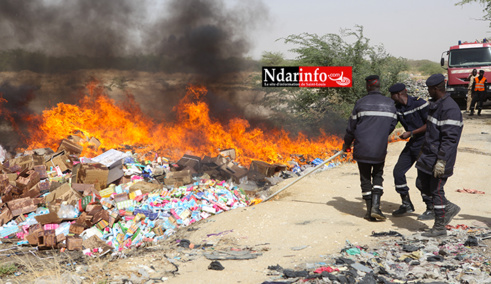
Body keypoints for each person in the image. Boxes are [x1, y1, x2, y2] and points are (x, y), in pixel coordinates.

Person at [342, 75, 397, 222]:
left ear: (368, 86)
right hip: (379, 147)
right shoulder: (390, 103)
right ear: (379, 86)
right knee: (378, 175)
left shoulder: (361, 103)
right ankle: (376, 207)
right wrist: (381, 134)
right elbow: (392, 124)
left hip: (362, 147)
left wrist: (347, 144)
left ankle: (369, 211)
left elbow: (351, 128)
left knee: (365, 177)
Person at [416, 74, 463, 237]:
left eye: (429, 89)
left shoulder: (450, 109)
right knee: (421, 184)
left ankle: (439, 226)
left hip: (441, 158)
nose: (428, 91)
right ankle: (448, 207)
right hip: (428, 155)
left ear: (435, 89)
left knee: (436, 190)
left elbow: (450, 139)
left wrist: (441, 161)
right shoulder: (435, 105)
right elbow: (430, 131)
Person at [388, 83, 434, 220]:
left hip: (425, 143)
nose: (391, 98)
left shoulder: (419, 103)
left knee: (422, 179)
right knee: (398, 172)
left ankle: (430, 207)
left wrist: (411, 132)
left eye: (392, 95)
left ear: (399, 94)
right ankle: (406, 203)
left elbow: (430, 123)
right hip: (413, 143)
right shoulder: (398, 109)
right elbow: (391, 125)